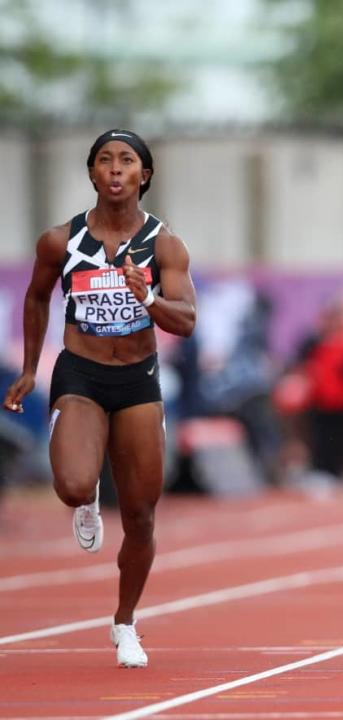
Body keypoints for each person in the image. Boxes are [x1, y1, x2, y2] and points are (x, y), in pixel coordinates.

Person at [3, 129, 197, 666]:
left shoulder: (165, 245)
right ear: (91, 174)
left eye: (127, 161)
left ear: (144, 175)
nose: (115, 169)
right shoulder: (59, 241)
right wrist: (26, 369)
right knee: (69, 485)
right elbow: (37, 297)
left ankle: (125, 622)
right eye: (105, 161)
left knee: (140, 515)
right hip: (81, 373)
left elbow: (186, 321)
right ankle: (86, 496)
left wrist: (148, 296)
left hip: (137, 378)